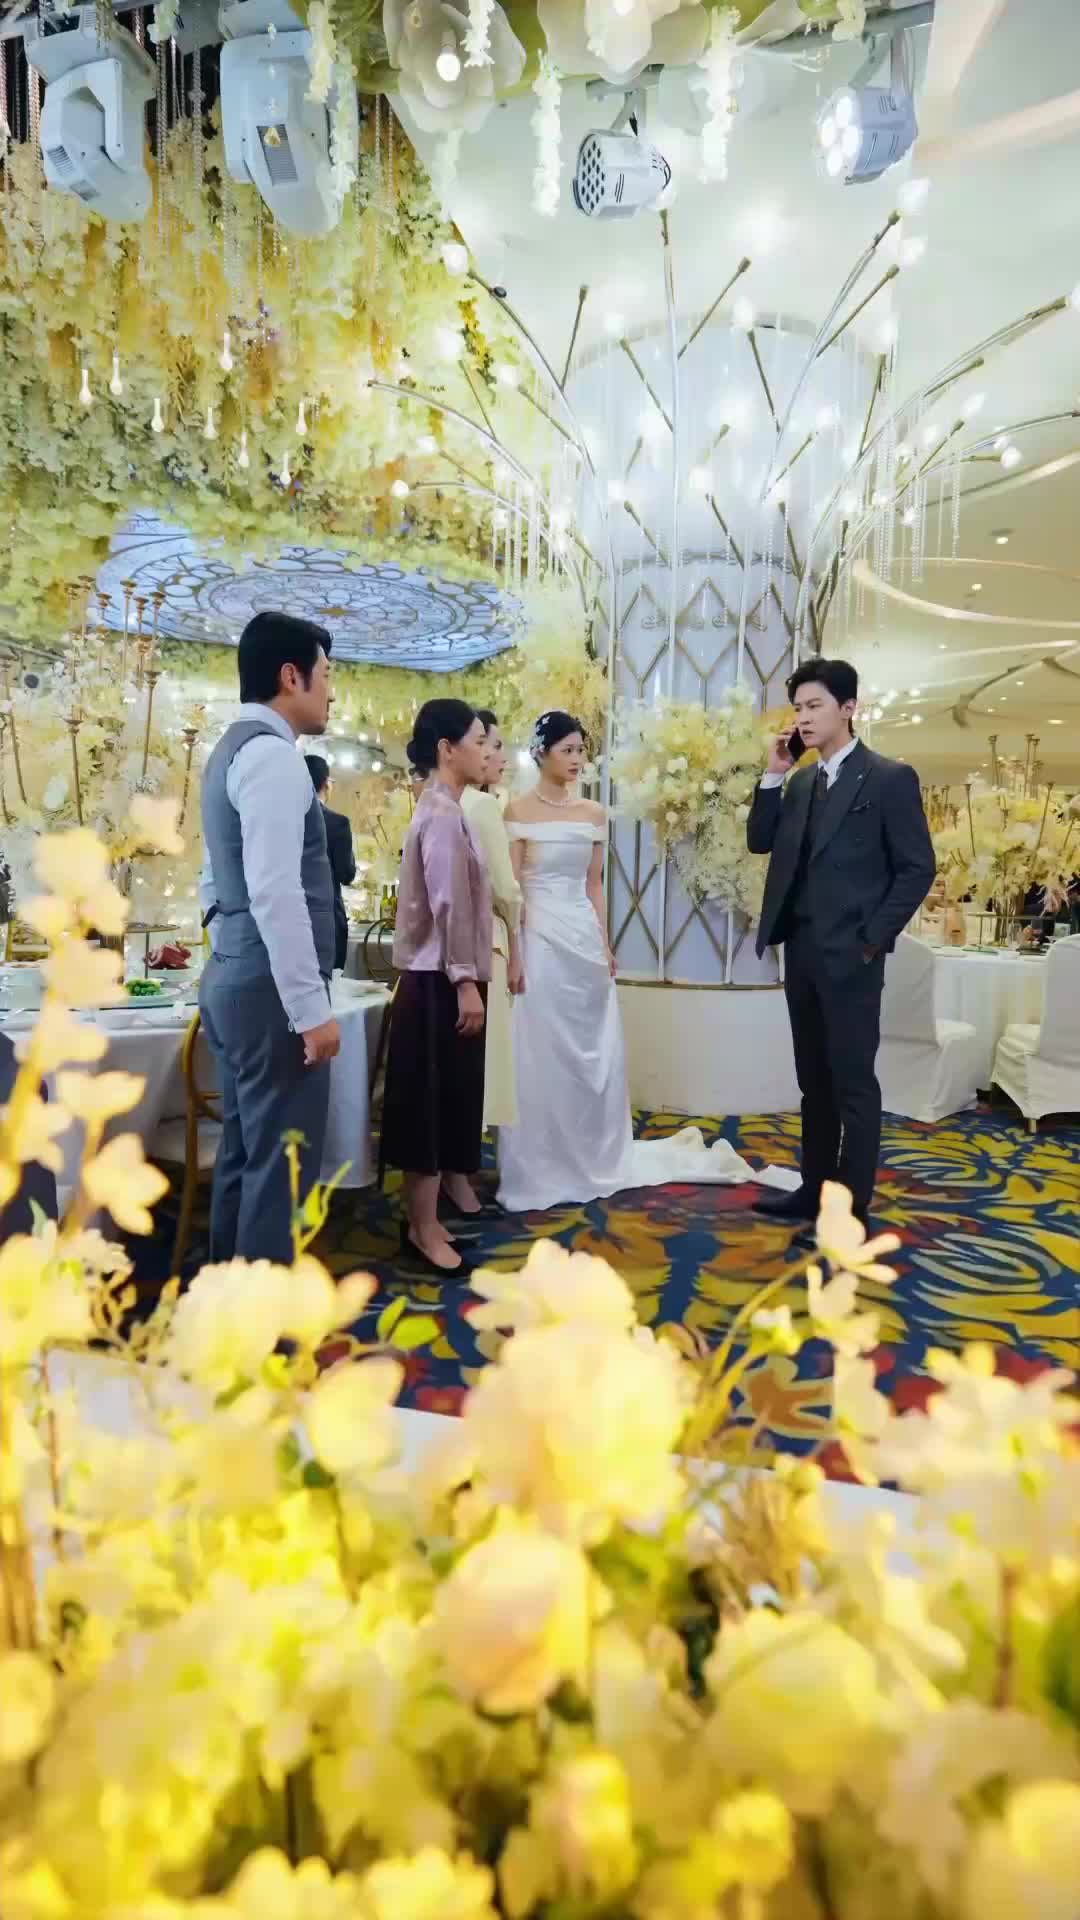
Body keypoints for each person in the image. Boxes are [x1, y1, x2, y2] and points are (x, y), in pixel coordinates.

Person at [497, 711, 792, 1213]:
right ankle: (542, 1159)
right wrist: (515, 950)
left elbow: (594, 884)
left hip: (582, 938)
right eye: (567, 750)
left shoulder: (592, 813)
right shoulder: (516, 810)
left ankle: (593, 1149)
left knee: (591, 1048)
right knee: (542, 1046)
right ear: (541, 753)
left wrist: (604, 942)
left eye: (581, 750)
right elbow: (513, 890)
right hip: (539, 936)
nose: (577, 759)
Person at [747, 657, 935, 1235]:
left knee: (853, 1085)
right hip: (802, 952)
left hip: (853, 956)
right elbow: (760, 841)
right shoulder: (801, 781)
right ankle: (813, 1190)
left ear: (849, 708)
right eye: (798, 708)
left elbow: (917, 868)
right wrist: (773, 775)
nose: (803, 718)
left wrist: (873, 939)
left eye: (815, 706)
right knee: (814, 1084)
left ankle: (850, 1211)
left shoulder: (888, 778)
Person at [198, 611, 340, 1264]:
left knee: (245, 1152)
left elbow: (213, 876)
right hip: (269, 991)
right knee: (281, 1166)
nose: (331, 692)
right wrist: (310, 1009)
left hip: (235, 972)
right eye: (326, 675)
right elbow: (277, 891)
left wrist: (227, 946)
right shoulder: (275, 758)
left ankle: (224, 1301)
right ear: (291, 676)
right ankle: (262, 1319)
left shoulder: (230, 750)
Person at [381, 699, 492, 1275]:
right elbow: (450, 907)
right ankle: (422, 1229)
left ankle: (425, 1222)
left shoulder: (446, 808)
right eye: (478, 740)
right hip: (437, 981)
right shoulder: (443, 815)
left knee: (445, 1100)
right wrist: (465, 980)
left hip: (441, 977)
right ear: (448, 749)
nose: (486, 751)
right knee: (427, 1104)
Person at [461, 710, 524, 1151]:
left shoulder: (442, 799)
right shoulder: (481, 806)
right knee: (486, 1060)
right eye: (491, 744)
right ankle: (465, 1163)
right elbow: (507, 890)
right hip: (489, 941)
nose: (497, 755)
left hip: (452, 948)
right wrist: (517, 945)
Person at [305, 754, 356, 972]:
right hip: (328, 919)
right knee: (331, 983)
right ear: (326, 783)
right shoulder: (337, 823)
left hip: (290, 919)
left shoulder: (283, 821)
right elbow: (346, 875)